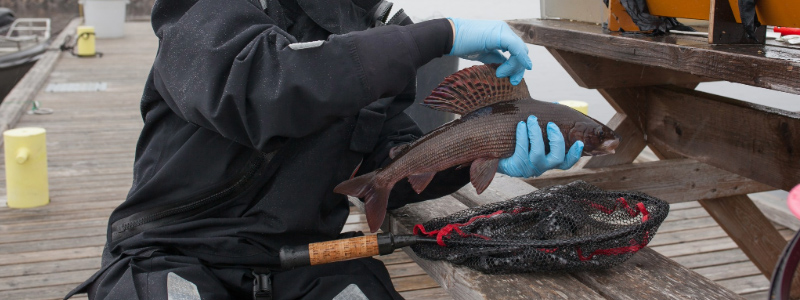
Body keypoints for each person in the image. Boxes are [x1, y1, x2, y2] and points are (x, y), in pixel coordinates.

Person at [66, 0, 583, 299]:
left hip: (302, 266)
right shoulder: (207, 10)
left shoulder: (381, 29)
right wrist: (436, 37)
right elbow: (267, 85)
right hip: (173, 254)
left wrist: (482, 158)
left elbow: (389, 166)